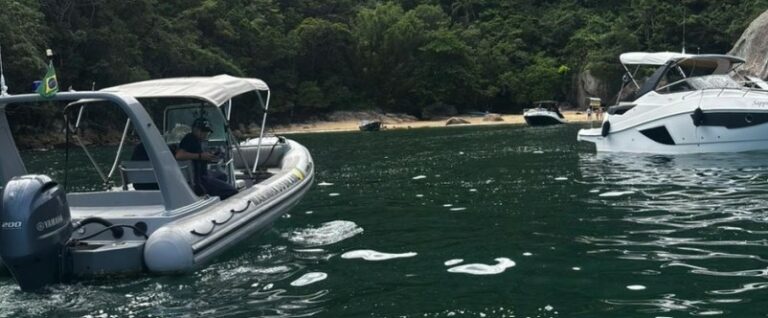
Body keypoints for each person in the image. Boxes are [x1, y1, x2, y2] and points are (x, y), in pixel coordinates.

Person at [175, 118, 237, 200]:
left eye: (207, 132)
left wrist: (209, 156)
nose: (205, 134)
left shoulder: (198, 140)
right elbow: (179, 155)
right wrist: (201, 156)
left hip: (204, 173)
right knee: (232, 191)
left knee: (223, 175)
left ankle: (216, 196)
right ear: (195, 129)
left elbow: (198, 155)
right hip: (200, 179)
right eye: (203, 131)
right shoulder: (189, 139)